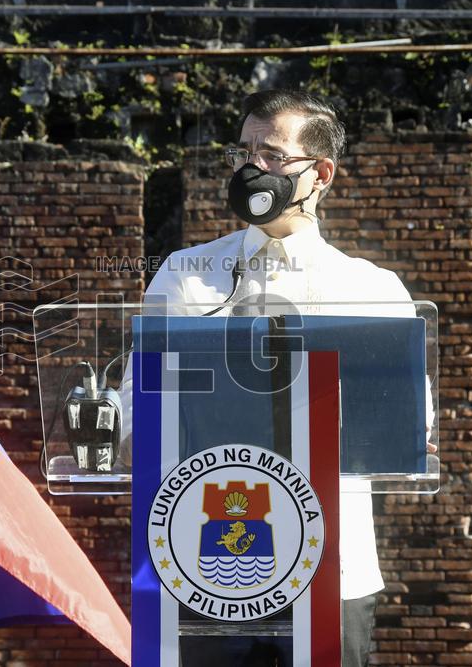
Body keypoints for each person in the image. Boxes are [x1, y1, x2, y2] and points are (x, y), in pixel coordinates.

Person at [129, 89, 433, 666]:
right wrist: (114, 433)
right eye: (242, 152)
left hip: (334, 567)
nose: (251, 168)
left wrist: (415, 434)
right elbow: (135, 397)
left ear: (320, 173)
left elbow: (412, 419)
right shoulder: (185, 277)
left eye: (270, 154)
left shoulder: (372, 289)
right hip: (203, 563)